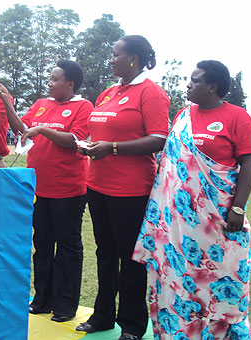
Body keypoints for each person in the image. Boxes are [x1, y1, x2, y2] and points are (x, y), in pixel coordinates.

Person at [133, 60, 251, 340]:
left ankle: (219, 332)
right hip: (178, 223)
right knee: (178, 277)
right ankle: (177, 332)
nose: (188, 85)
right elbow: (170, 164)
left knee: (220, 274)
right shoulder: (183, 115)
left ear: (213, 86)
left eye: (195, 80)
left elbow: (249, 164)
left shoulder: (238, 117)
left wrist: (238, 208)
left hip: (216, 218)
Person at [75, 35, 170, 340]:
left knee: (130, 258)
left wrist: (112, 148)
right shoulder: (106, 94)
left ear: (133, 59)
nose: (111, 59)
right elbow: (98, 131)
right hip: (97, 184)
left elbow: (159, 139)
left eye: (116, 54)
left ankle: (131, 325)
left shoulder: (151, 92)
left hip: (130, 189)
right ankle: (102, 316)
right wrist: (88, 146)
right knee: (105, 252)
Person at [0, 60, 93, 322]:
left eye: (54, 79)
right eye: (49, 79)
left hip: (69, 190)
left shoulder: (83, 106)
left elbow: (75, 142)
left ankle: (65, 306)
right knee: (42, 245)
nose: (49, 83)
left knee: (68, 247)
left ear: (70, 83)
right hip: (39, 188)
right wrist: (6, 102)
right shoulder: (40, 104)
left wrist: (43, 129)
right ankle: (42, 300)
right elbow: (21, 129)